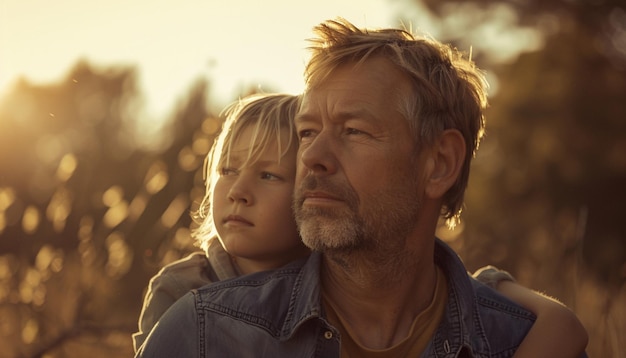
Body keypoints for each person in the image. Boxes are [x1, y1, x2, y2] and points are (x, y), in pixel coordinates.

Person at [136, 19, 587, 356]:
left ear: (440, 164)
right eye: (308, 131)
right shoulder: (204, 332)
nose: (311, 157)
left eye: (353, 131)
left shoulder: (521, 341)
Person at [132, 93, 310, 351]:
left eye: (268, 175)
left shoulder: (333, 291)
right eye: (228, 171)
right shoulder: (180, 288)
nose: (237, 191)